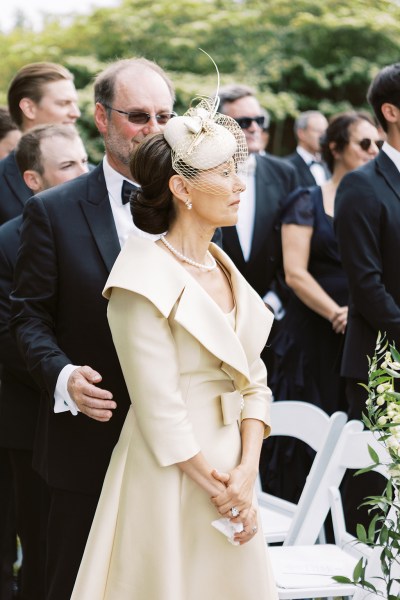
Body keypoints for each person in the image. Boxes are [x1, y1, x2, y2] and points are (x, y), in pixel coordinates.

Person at [71, 94, 278, 600]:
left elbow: (255, 383)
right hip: (172, 476)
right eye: (224, 173)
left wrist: (246, 475)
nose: (239, 185)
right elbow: (160, 409)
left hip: (234, 470)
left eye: (237, 170)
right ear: (182, 188)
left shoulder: (224, 268)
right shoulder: (139, 277)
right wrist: (222, 490)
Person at [10, 57, 176, 600]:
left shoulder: (195, 206)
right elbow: (27, 318)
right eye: (138, 116)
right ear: (102, 120)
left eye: (163, 115)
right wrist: (62, 378)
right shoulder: (51, 212)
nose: (153, 128)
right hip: (85, 444)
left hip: (175, 446)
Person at [0, 124, 88, 600]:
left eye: (84, 161)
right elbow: (8, 333)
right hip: (32, 418)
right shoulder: (5, 242)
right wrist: (65, 375)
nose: (84, 172)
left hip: (104, 414)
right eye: (68, 165)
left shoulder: (117, 225)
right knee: (41, 546)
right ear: (33, 180)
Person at [335, 64, 400, 533]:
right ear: (391, 111)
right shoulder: (361, 185)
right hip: (381, 368)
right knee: (378, 499)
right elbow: (367, 286)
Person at [0, 62, 80, 225]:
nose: (76, 113)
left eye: (74, 103)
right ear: (29, 108)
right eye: (64, 103)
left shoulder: (94, 176)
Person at [285, 110, 330, 186]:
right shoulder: (286, 166)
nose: (323, 136)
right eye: (318, 131)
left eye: (325, 132)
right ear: (301, 133)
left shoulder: (329, 166)